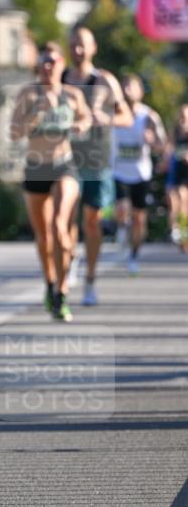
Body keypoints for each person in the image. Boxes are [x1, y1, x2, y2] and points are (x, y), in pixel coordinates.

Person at [10, 42, 91, 321]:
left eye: (53, 61)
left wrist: (82, 125)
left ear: (62, 65)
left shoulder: (72, 94)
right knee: (43, 236)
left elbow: (86, 118)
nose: (48, 66)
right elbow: (14, 133)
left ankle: (62, 291)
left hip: (63, 165)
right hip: (35, 168)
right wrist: (37, 113)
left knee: (59, 226)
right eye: (44, 61)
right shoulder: (28, 94)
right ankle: (49, 281)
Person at [62, 27, 132, 306]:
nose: (77, 50)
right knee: (63, 218)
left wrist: (107, 118)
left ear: (93, 48)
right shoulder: (61, 78)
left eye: (82, 45)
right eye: (73, 45)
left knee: (92, 221)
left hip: (97, 160)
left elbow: (126, 116)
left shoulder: (104, 81)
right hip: (66, 159)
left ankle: (90, 278)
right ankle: (70, 257)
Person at [111, 74, 166, 273]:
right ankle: (121, 227)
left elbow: (162, 146)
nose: (127, 90)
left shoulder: (149, 116)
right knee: (121, 208)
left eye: (131, 86)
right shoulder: (114, 113)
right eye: (124, 86)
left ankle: (134, 255)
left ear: (140, 91)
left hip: (141, 173)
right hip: (118, 171)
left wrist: (152, 140)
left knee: (139, 219)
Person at [165, 104, 188, 250]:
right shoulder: (175, 134)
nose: (183, 120)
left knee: (184, 202)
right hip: (175, 173)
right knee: (173, 202)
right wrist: (165, 159)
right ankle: (175, 230)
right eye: (182, 117)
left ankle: (184, 235)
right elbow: (168, 149)